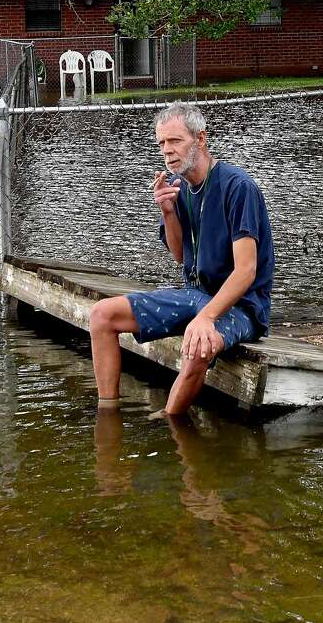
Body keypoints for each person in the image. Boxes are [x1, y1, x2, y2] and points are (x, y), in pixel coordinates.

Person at [87, 102, 274, 414]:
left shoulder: (237, 187)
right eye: (162, 143)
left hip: (242, 307)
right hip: (194, 295)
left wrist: (206, 318)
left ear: (200, 139)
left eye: (175, 141)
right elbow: (178, 255)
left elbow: (246, 271)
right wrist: (168, 212)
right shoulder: (178, 186)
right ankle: (108, 414)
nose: (167, 151)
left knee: (198, 343)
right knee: (101, 316)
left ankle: (170, 422)